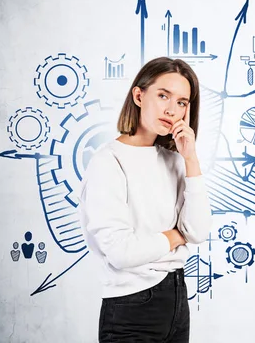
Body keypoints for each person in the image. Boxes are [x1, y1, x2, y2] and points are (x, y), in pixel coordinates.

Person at [78, 57, 212, 342]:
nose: (171, 110)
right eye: (163, 95)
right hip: (131, 307)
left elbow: (198, 232)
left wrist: (191, 158)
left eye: (181, 102)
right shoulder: (109, 161)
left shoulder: (175, 160)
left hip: (177, 299)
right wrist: (176, 236)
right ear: (139, 95)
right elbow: (121, 252)